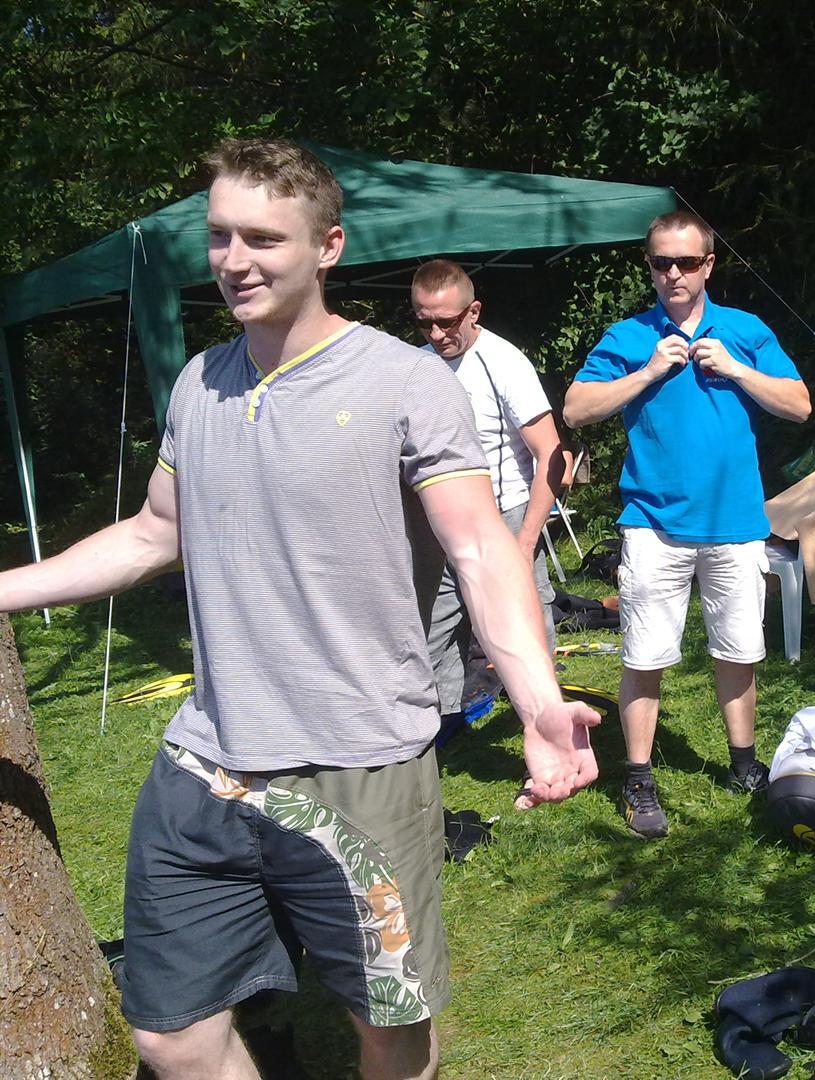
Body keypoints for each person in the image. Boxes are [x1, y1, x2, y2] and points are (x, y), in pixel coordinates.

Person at [0, 138, 599, 1080]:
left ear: (328, 246)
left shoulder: (406, 383)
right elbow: (155, 533)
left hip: (359, 765)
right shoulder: (201, 381)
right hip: (209, 762)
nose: (234, 260)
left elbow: (482, 551)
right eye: (220, 236)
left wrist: (538, 705)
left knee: (390, 1030)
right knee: (170, 1034)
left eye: (263, 239)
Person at [563, 210, 811, 840]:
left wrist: (737, 369)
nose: (673, 273)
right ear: (649, 267)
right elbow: (576, 409)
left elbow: (800, 405)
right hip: (653, 523)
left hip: (735, 521)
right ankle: (638, 777)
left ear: (708, 265)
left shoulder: (745, 331)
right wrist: (647, 372)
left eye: (686, 262)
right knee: (644, 655)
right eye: (661, 262)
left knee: (739, 650)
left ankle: (744, 764)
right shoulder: (629, 335)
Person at [410, 260, 565, 721]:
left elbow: (552, 454)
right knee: (431, 631)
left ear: (473, 311)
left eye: (447, 321)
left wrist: (526, 541)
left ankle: (548, 724)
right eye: (424, 322)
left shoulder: (503, 362)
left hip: (504, 514)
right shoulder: (414, 366)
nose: (436, 334)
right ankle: (442, 727)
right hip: (437, 520)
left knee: (526, 630)